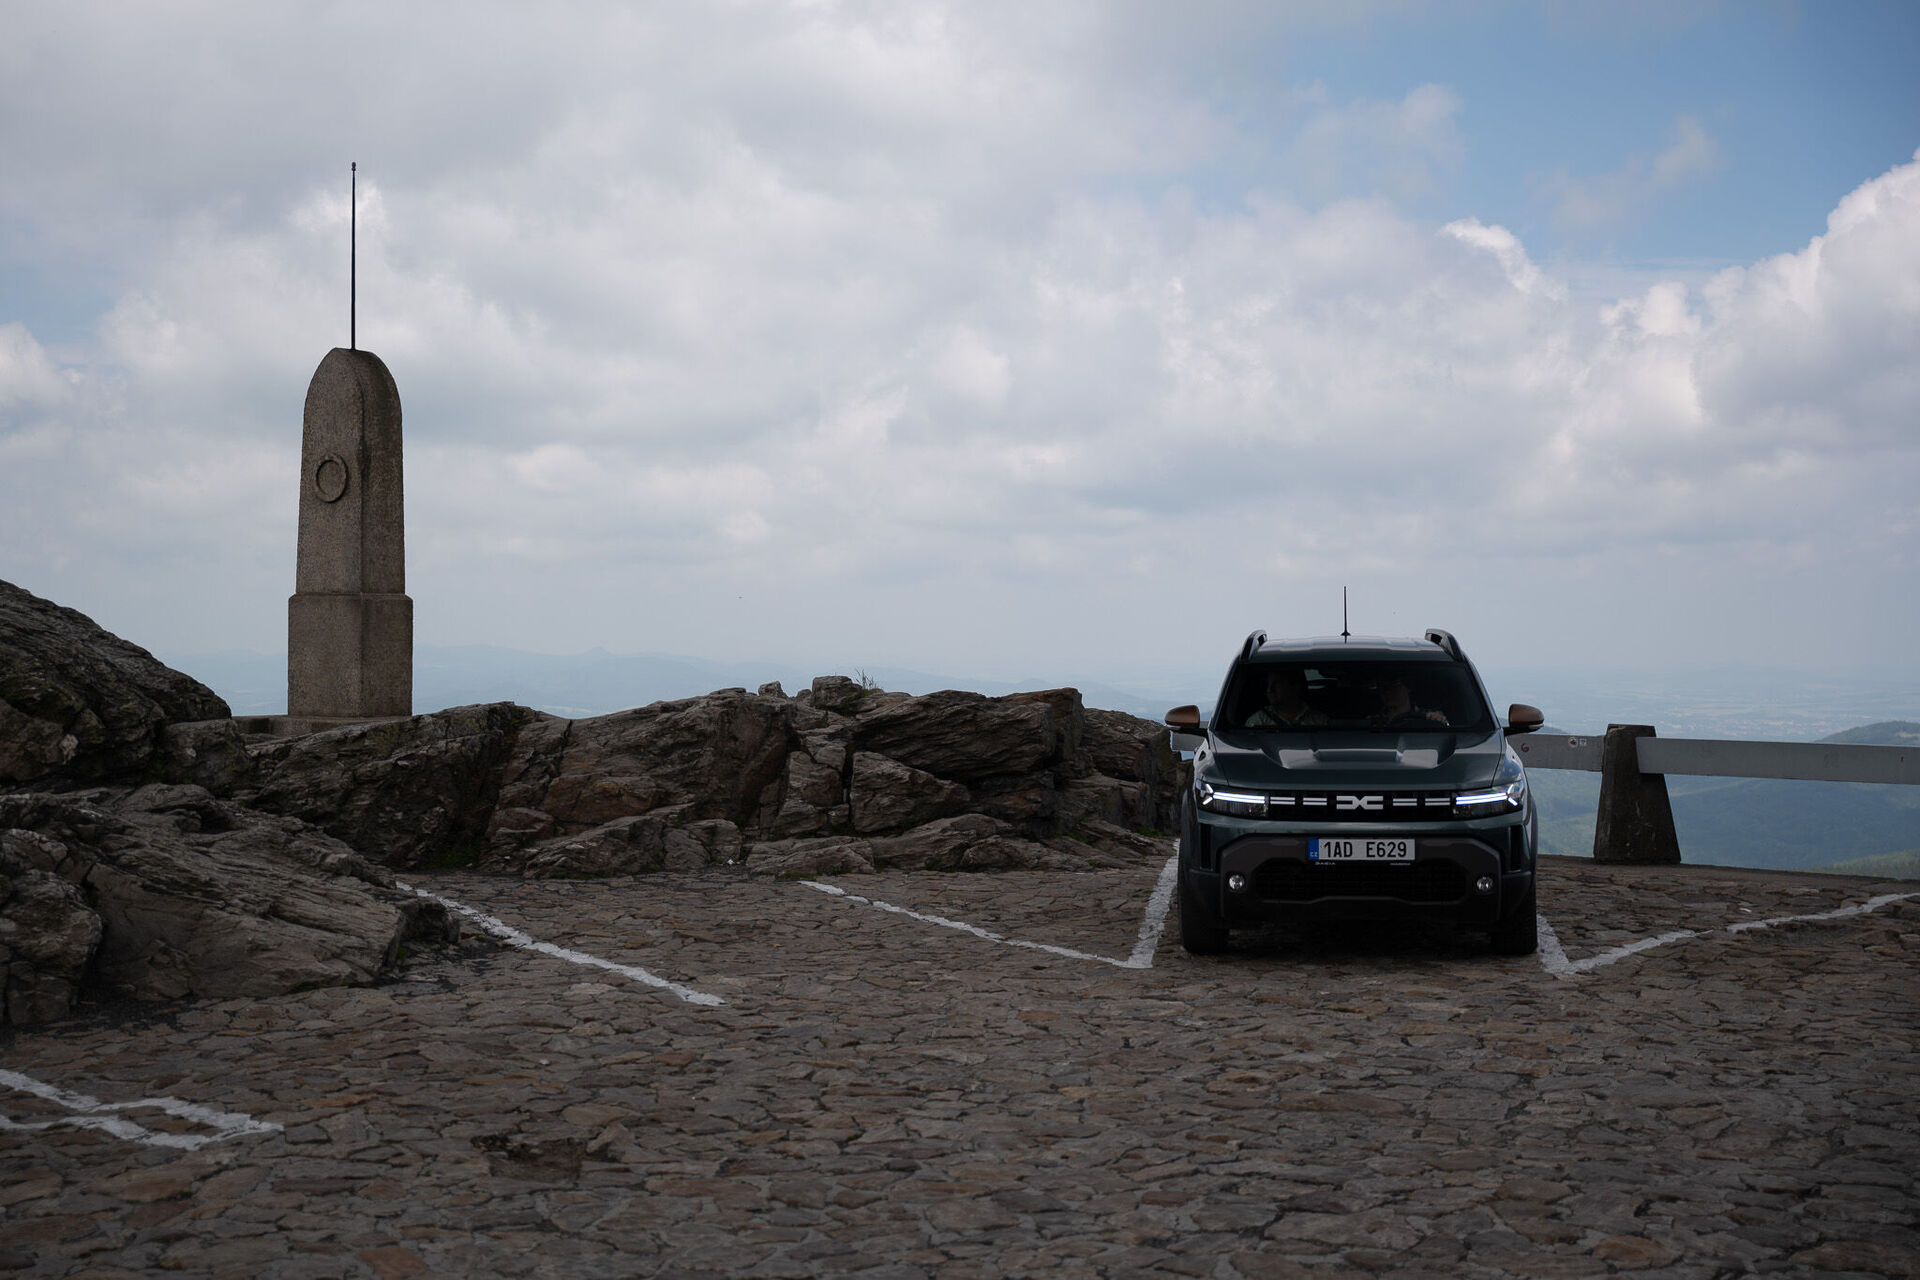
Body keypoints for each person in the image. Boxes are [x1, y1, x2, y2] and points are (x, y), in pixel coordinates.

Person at [1245, 669, 1329, 728]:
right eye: (1268, 684)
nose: (1269, 690)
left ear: (1295, 686)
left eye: (1277, 684)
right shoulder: (1257, 722)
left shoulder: (1319, 721)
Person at [1372, 673, 1448, 726]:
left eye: (1394, 685)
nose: (1387, 690)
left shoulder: (1428, 717)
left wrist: (1438, 721)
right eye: (1382, 686)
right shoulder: (1370, 721)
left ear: (1408, 686)